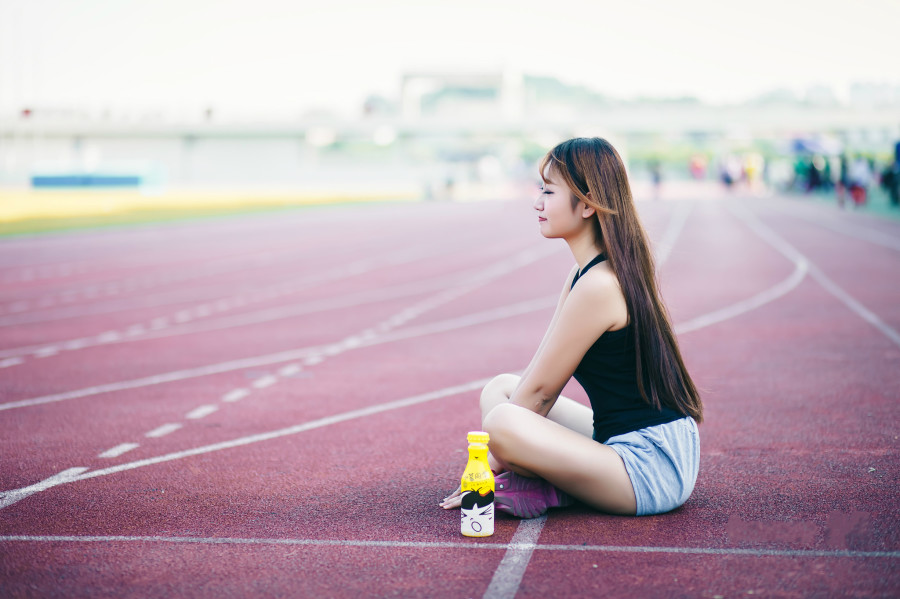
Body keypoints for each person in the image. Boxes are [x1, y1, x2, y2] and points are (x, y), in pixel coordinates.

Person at [440, 138, 703, 518]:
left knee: (502, 421)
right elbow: (535, 379)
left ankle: (550, 487)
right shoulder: (585, 274)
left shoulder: (599, 286)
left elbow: (542, 394)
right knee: (500, 389)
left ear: (587, 204)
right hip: (624, 442)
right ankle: (549, 485)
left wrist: (484, 469)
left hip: (652, 466)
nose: (537, 203)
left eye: (548, 191)